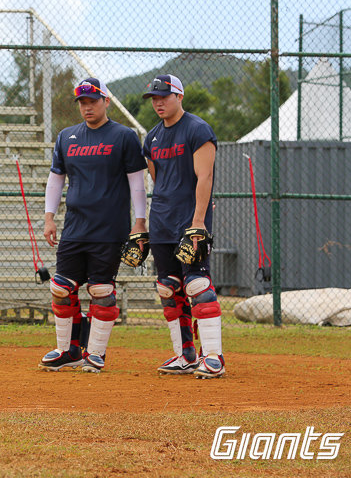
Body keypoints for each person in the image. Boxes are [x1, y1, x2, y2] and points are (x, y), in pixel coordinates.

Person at [41, 78, 148, 373]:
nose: (87, 107)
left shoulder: (124, 136)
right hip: (75, 227)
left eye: (92, 101)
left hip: (109, 229)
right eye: (83, 103)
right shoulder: (66, 137)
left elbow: (137, 183)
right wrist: (49, 217)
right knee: (62, 288)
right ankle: (68, 350)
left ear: (105, 101)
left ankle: (96, 353)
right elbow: (56, 179)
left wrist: (140, 222)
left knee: (101, 290)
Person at [142, 73, 225, 379]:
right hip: (162, 220)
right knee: (168, 287)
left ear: (179, 96)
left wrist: (199, 221)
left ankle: (213, 356)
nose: (158, 102)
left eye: (164, 96)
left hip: (190, 220)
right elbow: (158, 180)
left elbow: (205, 177)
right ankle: (185, 355)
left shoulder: (197, 129)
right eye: (154, 98)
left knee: (198, 286)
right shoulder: (151, 138)